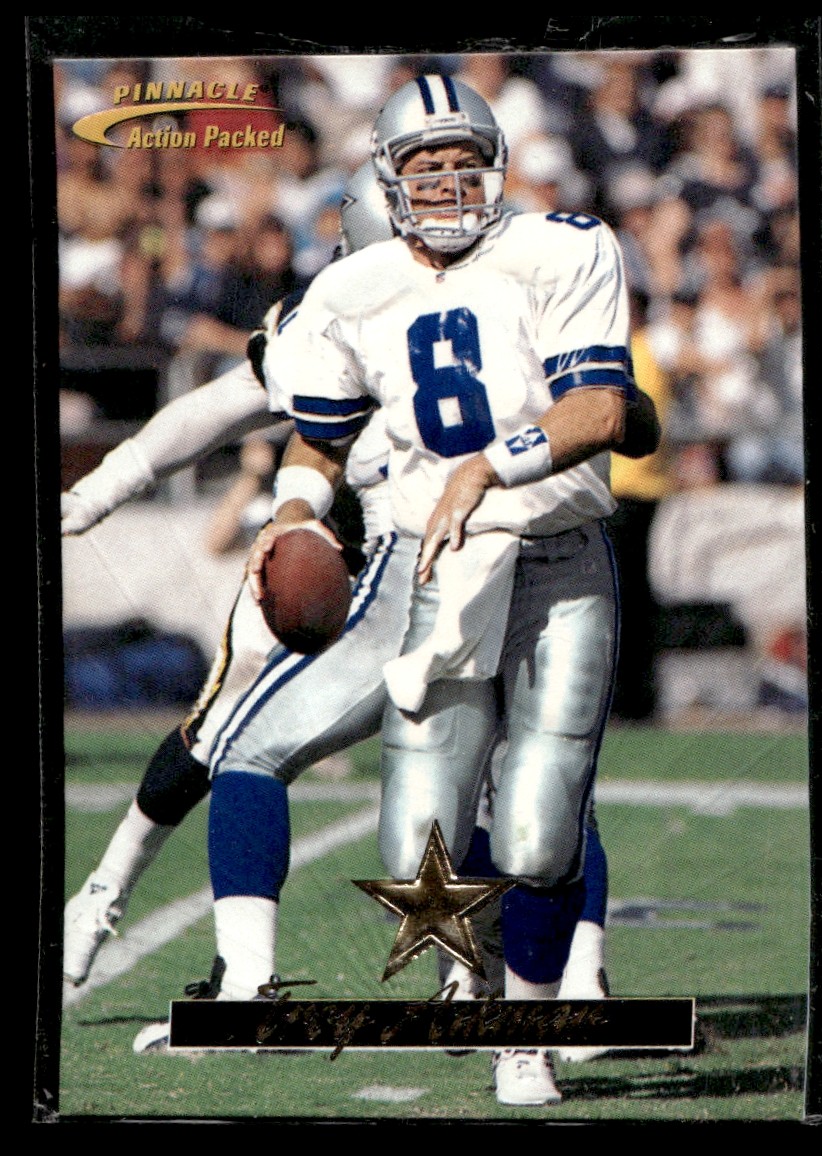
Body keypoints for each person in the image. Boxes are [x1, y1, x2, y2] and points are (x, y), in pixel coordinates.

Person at [63, 164, 620, 1045]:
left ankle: (549, 986)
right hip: (352, 564)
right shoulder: (333, 315)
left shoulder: (505, 292)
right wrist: (97, 494)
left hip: (467, 560)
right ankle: (112, 899)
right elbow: (222, 410)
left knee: (525, 785)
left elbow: (604, 410)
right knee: (230, 731)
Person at [250, 74, 659, 1106]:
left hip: (556, 556)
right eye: (425, 165)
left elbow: (602, 407)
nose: (446, 181)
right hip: (439, 568)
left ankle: (528, 1031)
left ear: (499, 166)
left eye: (464, 160)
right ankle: (475, 965)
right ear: (388, 180)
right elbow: (319, 436)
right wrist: (293, 512)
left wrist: (488, 466)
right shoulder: (353, 288)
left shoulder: (563, 247)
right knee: (415, 847)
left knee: (538, 825)